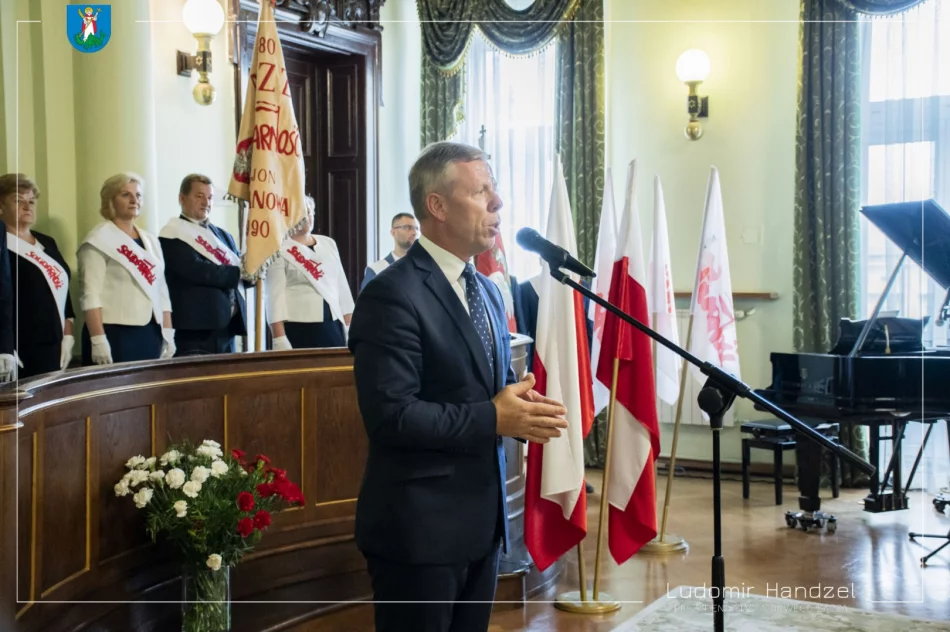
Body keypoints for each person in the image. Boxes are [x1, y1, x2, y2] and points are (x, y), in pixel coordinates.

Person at [347, 141, 568, 632]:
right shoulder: (391, 294)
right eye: (481, 191)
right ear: (438, 206)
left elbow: (487, 386)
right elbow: (392, 417)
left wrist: (522, 403)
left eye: (495, 190)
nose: (498, 203)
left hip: (480, 527)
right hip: (418, 532)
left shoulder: (487, 288)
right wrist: (496, 416)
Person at [78, 173, 174, 365]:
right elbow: (90, 295)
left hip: (150, 332)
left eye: (138, 195)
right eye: (125, 194)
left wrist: (168, 332)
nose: (134, 200)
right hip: (115, 333)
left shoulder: (151, 240)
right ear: (110, 199)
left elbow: (161, 290)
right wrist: (98, 339)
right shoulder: (98, 239)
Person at [159, 174, 246, 356]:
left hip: (227, 329)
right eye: (199, 196)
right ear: (182, 198)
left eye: (210, 197)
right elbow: (198, 270)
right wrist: (240, 273)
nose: (206, 202)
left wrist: (253, 272)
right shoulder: (172, 234)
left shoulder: (224, 236)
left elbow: (240, 271)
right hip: (196, 330)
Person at [0, 174, 75, 377]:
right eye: (18, 200)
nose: (28, 206)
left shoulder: (47, 242)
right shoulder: (3, 244)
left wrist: (68, 335)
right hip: (19, 348)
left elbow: (63, 290)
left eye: (31, 201)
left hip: (55, 344)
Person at [265, 198, 354, 349]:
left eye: (310, 211)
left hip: (332, 325)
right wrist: (279, 338)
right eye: (302, 212)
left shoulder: (328, 243)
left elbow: (341, 286)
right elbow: (274, 295)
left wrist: (350, 325)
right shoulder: (279, 248)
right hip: (299, 326)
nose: (307, 216)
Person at [359, 212, 418, 292]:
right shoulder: (377, 270)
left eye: (416, 228)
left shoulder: (423, 268)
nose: (414, 233)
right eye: (407, 228)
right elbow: (365, 303)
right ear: (393, 232)